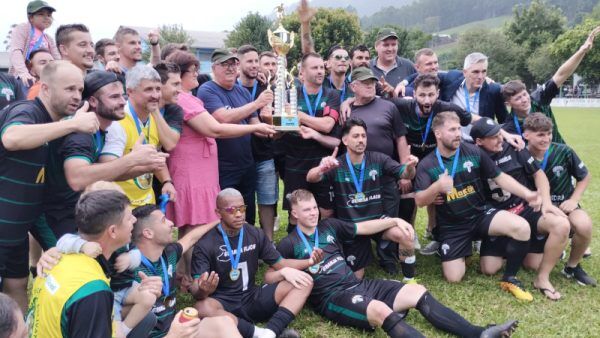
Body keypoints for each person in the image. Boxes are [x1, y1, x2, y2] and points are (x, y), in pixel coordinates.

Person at [276, 189, 518, 338]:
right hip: (332, 298)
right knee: (382, 311)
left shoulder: (329, 226)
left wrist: (392, 220)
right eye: (306, 210)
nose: (313, 213)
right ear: (294, 214)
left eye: (315, 208)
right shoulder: (288, 243)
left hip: (358, 284)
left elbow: (364, 228)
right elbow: (273, 275)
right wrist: (298, 266)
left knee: (418, 292)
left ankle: (480, 333)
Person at [164, 50, 274, 289]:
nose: (196, 73)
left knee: (192, 223)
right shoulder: (187, 97)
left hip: (201, 170)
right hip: (191, 171)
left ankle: (182, 275)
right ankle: (196, 279)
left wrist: (261, 123)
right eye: (192, 70)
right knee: (195, 224)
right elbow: (216, 128)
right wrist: (253, 128)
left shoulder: (190, 97)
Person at [0, 61, 98, 311]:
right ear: (44, 88)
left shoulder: (54, 129)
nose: (76, 96)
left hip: (17, 232)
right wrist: (74, 124)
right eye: (69, 89)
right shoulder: (27, 111)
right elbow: (12, 138)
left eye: (79, 89)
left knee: (17, 288)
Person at [32, 70, 167, 250]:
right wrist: (132, 159)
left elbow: (105, 173)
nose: (123, 101)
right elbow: (77, 178)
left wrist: (143, 167)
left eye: (122, 95)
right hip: (52, 213)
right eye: (114, 97)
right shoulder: (81, 133)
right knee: (71, 265)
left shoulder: (103, 128)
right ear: (93, 101)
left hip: (74, 210)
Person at [414, 111, 541, 301]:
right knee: (454, 277)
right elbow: (419, 200)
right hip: (453, 226)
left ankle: (510, 278)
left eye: (458, 128)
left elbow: (500, 177)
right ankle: (463, 251)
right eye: (452, 130)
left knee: (521, 227)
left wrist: (528, 194)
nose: (458, 133)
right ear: (438, 134)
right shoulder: (427, 164)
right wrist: (436, 187)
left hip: (481, 214)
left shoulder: (473, 151)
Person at [471, 117, 571, 300]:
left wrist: (547, 203)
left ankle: (542, 278)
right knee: (489, 268)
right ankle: (516, 246)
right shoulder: (472, 155)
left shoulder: (515, 147)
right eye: (493, 137)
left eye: (499, 134)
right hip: (498, 216)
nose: (499, 139)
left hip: (524, 208)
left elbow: (539, 175)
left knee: (561, 225)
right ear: (479, 142)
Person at [191, 188, 313, 338]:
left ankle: (271, 331)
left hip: (253, 296)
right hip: (223, 303)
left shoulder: (254, 233)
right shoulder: (205, 244)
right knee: (202, 307)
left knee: (305, 281)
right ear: (218, 213)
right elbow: (197, 290)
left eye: (242, 209)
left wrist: (309, 261)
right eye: (231, 210)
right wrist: (203, 290)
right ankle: (258, 333)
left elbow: (281, 263)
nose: (238, 214)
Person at [307, 118, 418, 280]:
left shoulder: (378, 159)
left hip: (377, 221)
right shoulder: (336, 165)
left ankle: (410, 280)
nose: (361, 140)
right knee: (356, 277)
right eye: (356, 136)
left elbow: (405, 174)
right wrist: (321, 169)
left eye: (363, 136)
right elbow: (310, 178)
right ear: (345, 140)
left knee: (406, 235)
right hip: (352, 226)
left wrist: (410, 167)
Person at [27, 190, 134, 337]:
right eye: (129, 218)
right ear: (113, 231)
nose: (134, 220)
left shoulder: (57, 258)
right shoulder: (93, 289)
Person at [131, 204, 241, 337]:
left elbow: (191, 238)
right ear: (148, 233)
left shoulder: (168, 254)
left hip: (177, 330)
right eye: (164, 220)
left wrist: (220, 220)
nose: (172, 223)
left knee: (225, 323)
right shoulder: (129, 269)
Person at [344, 67, 413, 275]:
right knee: (359, 214)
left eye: (372, 82)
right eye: (364, 83)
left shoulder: (388, 106)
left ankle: (387, 257)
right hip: (357, 177)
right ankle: (360, 252)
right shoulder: (347, 111)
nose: (370, 85)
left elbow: (400, 137)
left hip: (386, 171)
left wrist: (403, 168)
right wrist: (344, 103)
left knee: (389, 212)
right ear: (353, 87)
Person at [196, 49, 274, 225]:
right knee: (226, 214)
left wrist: (272, 126)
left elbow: (255, 126)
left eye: (233, 64)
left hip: (247, 164)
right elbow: (222, 118)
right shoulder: (207, 90)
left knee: (247, 214)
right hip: (223, 167)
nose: (230, 68)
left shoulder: (242, 92)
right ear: (214, 67)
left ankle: (247, 249)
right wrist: (257, 103)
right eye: (225, 64)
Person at [523, 113, 596, 287]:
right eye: (540, 134)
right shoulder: (521, 154)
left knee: (584, 224)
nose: (546, 138)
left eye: (548, 133)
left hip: (564, 204)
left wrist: (573, 200)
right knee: (532, 265)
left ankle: (572, 267)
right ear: (527, 135)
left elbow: (584, 177)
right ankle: (557, 247)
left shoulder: (563, 151)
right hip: (535, 210)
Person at [501, 26, 600, 144]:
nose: (524, 100)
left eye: (524, 94)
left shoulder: (539, 99)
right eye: (518, 98)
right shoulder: (509, 126)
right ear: (508, 103)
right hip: (533, 162)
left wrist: (582, 50)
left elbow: (561, 75)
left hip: (559, 155)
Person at [100, 65, 176, 207]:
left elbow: (155, 156)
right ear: (130, 92)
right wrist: (139, 162)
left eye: (158, 89)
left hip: (147, 203)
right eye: (148, 89)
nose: (155, 95)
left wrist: (166, 181)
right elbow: (107, 171)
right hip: (122, 208)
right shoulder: (118, 123)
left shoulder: (152, 116)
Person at [281, 52, 341, 228]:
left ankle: (327, 247)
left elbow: (327, 125)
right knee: (296, 211)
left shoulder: (332, 95)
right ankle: (296, 250)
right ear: (302, 73)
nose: (320, 71)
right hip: (295, 161)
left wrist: (299, 115)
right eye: (314, 68)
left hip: (322, 159)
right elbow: (282, 125)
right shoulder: (289, 94)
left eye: (322, 67)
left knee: (326, 211)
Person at [237, 45, 279, 240]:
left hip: (264, 154)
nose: (254, 66)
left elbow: (276, 128)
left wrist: (270, 119)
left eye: (256, 61)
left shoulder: (268, 88)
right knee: (242, 203)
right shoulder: (232, 87)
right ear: (239, 64)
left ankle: (268, 242)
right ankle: (245, 242)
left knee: (268, 200)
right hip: (239, 157)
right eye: (250, 61)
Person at [8, 0, 61, 86]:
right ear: (31, 18)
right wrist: (23, 73)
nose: (46, 17)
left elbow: (57, 60)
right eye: (41, 14)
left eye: (49, 15)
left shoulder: (49, 39)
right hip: (23, 80)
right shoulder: (23, 29)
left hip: (43, 80)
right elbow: (16, 51)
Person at [369, 28, 416, 96]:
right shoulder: (368, 67)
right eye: (386, 45)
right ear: (376, 46)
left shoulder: (409, 66)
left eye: (393, 44)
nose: (390, 49)